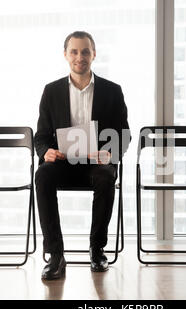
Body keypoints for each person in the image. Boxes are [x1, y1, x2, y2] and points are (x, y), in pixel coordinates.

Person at [34, 31, 130, 280]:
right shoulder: (51, 91)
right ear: (65, 55)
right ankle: (55, 256)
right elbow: (41, 136)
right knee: (43, 175)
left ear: (94, 54)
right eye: (74, 51)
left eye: (85, 51)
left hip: (97, 164)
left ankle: (97, 250)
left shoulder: (112, 91)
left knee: (105, 177)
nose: (80, 57)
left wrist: (111, 153)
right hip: (64, 163)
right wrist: (46, 152)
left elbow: (124, 135)